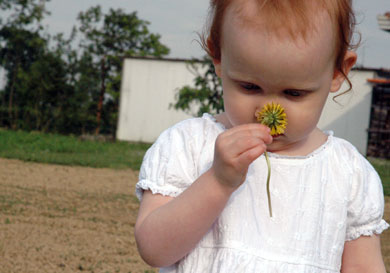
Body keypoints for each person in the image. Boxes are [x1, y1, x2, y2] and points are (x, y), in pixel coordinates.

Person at [134, 0, 389, 272]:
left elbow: (364, 266)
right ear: (218, 56)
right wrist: (218, 181)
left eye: (294, 93)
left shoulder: (348, 174)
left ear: (338, 71)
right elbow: (154, 250)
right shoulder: (191, 145)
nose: (267, 110)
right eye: (249, 86)